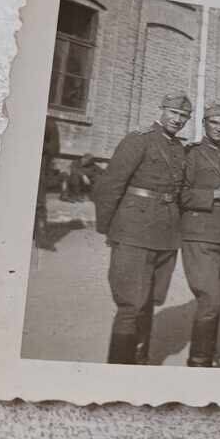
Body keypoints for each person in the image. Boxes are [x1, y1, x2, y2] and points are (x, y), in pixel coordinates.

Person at [92, 93, 192, 365]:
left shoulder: (178, 148)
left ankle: (140, 363)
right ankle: (119, 371)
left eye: (183, 116)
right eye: (173, 112)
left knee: (148, 301)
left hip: (165, 233)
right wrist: (109, 229)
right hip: (133, 230)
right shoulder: (139, 139)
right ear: (161, 110)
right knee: (130, 305)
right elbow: (109, 185)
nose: (177, 119)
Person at [178, 104, 220, 367]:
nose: (219, 128)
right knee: (210, 298)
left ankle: (207, 354)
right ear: (205, 123)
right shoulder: (191, 155)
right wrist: (215, 195)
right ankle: (199, 360)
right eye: (214, 122)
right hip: (200, 234)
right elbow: (180, 194)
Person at [34, 118, 61, 244]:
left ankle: (41, 237)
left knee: (39, 202)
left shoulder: (49, 123)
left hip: (39, 168)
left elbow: (55, 149)